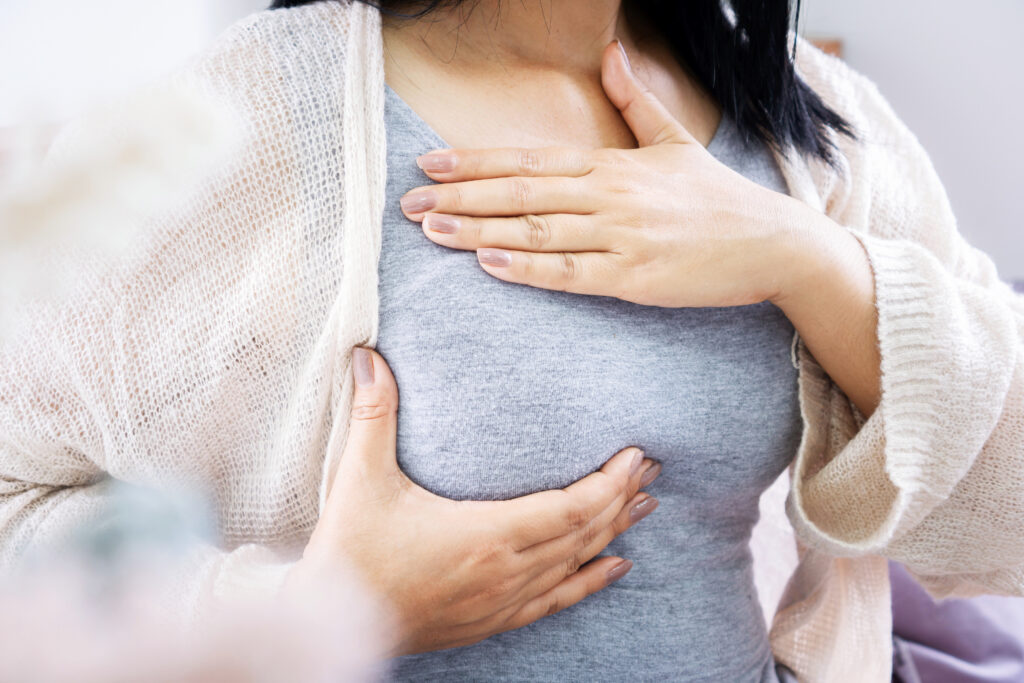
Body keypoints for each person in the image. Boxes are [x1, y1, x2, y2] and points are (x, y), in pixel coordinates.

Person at [1, 0, 1022, 680]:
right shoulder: (243, 124)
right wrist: (329, 608)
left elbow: (1008, 511)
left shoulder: (812, 124)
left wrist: (805, 257)